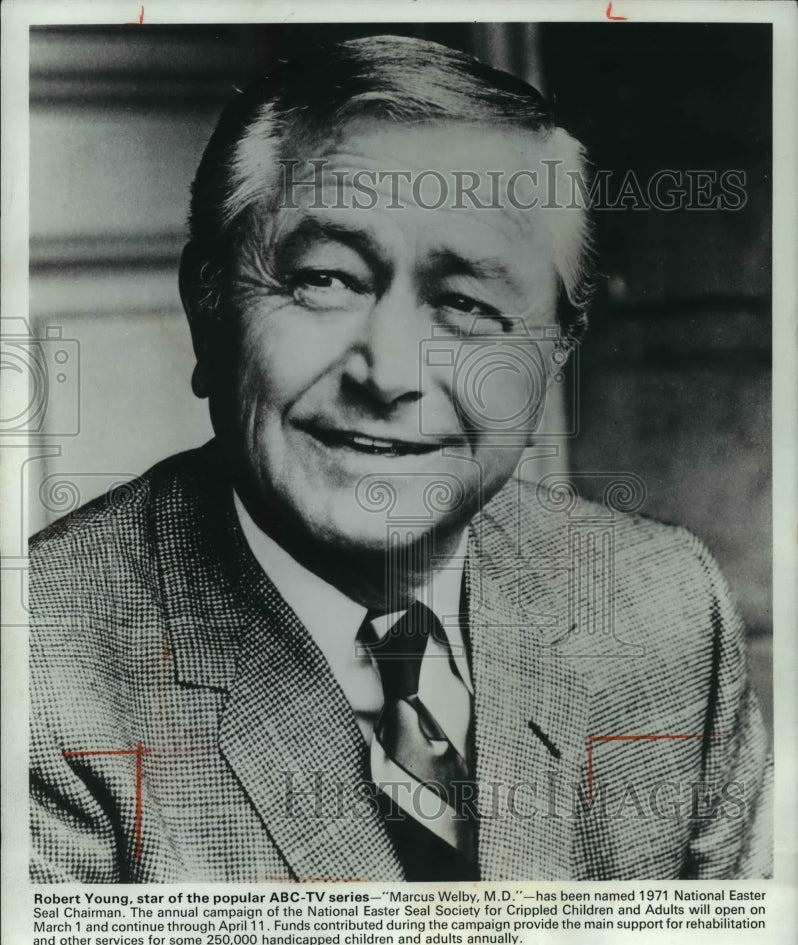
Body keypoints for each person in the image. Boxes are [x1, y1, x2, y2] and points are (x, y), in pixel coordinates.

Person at [29, 34, 771, 883]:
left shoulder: (664, 606)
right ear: (206, 310)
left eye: (466, 303)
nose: (390, 373)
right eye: (327, 280)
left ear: (557, 355)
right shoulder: (42, 675)